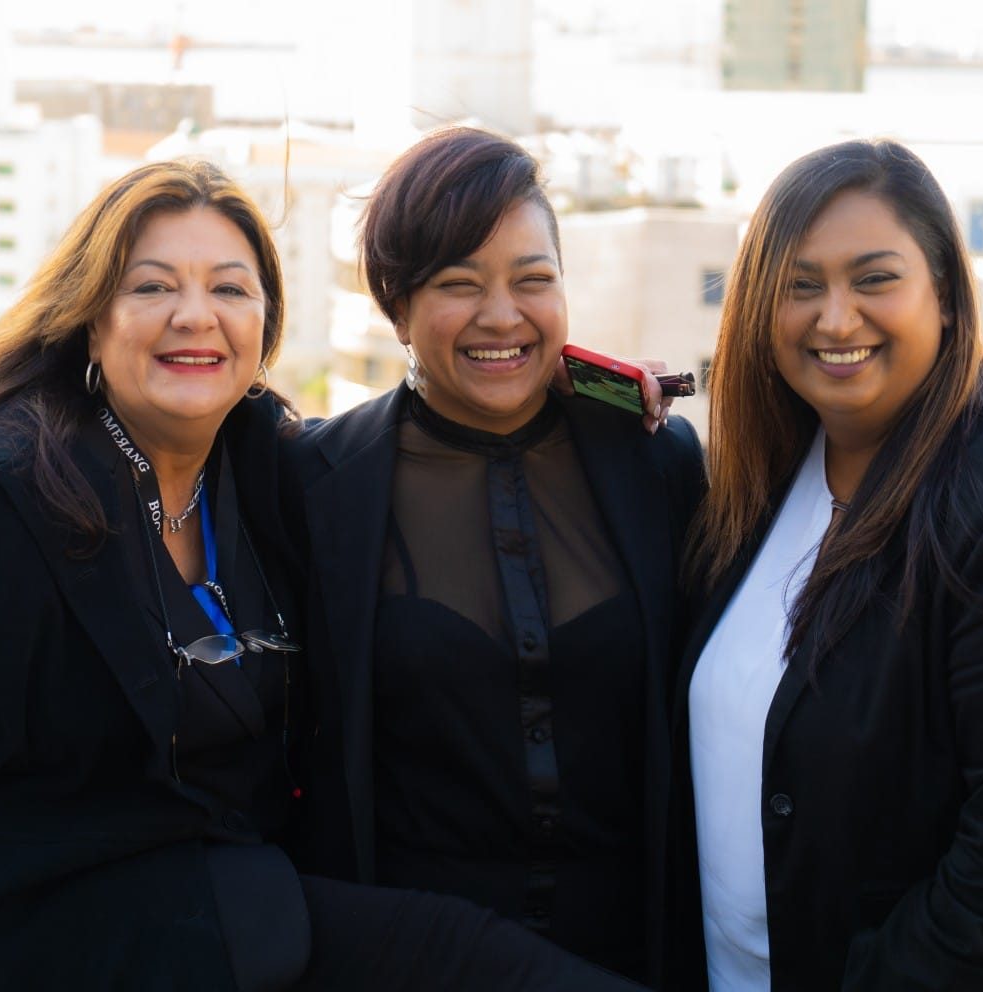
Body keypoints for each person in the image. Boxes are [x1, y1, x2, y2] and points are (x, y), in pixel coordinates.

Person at [0, 160, 643, 992]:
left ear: (264, 323)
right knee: (468, 962)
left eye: (230, 288)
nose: (197, 316)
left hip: (229, 918)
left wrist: (580, 381)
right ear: (91, 317)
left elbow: (449, 398)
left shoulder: (264, 468)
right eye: (153, 287)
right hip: (53, 939)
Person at [671, 139, 983, 990]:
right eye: (801, 286)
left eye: (874, 279)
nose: (835, 319)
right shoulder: (763, 484)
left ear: (943, 295)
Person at [266, 127, 706, 986]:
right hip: (415, 962)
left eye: (533, 281)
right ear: (394, 304)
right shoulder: (313, 484)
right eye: (458, 284)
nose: (502, 315)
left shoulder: (655, 463)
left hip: (635, 955)